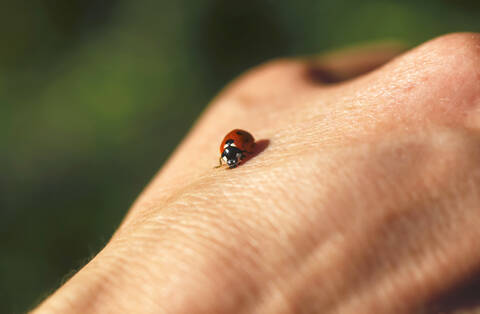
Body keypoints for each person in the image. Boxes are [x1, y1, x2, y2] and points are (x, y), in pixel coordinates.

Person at [34, 33, 480, 313]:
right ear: (234, 154)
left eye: (233, 156)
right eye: (233, 157)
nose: (234, 159)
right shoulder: (234, 150)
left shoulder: (241, 145)